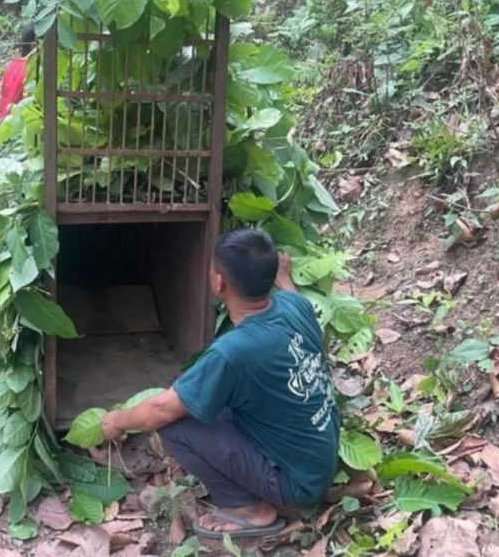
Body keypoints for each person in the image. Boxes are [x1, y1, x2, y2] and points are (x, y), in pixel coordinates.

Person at [100, 229, 340, 540]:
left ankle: (251, 510)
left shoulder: (233, 353)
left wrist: (118, 420)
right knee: (194, 390)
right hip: (319, 461)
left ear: (219, 283)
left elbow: (160, 410)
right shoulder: (296, 306)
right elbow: (293, 298)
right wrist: (283, 279)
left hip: (296, 485)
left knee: (174, 423)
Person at [0, 27, 35, 124]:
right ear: (34, 46)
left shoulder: (13, 65)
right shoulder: (31, 69)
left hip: (1, 121)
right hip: (15, 123)